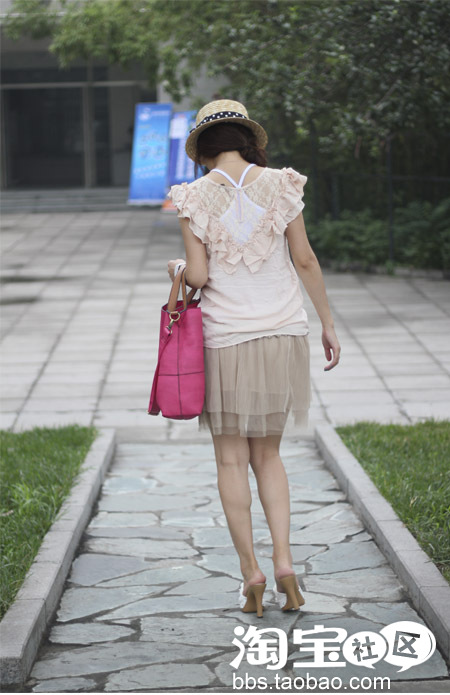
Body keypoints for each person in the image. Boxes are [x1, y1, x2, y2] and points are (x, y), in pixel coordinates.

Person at [167, 99, 341, 617]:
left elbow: (199, 277)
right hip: (283, 333)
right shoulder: (282, 184)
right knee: (269, 456)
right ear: (247, 140)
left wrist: (176, 269)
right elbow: (304, 259)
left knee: (230, 460)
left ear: (203, 149)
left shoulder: (192, 196)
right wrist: (328, 323)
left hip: (226, 340)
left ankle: (252, 575)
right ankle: (285, 563)